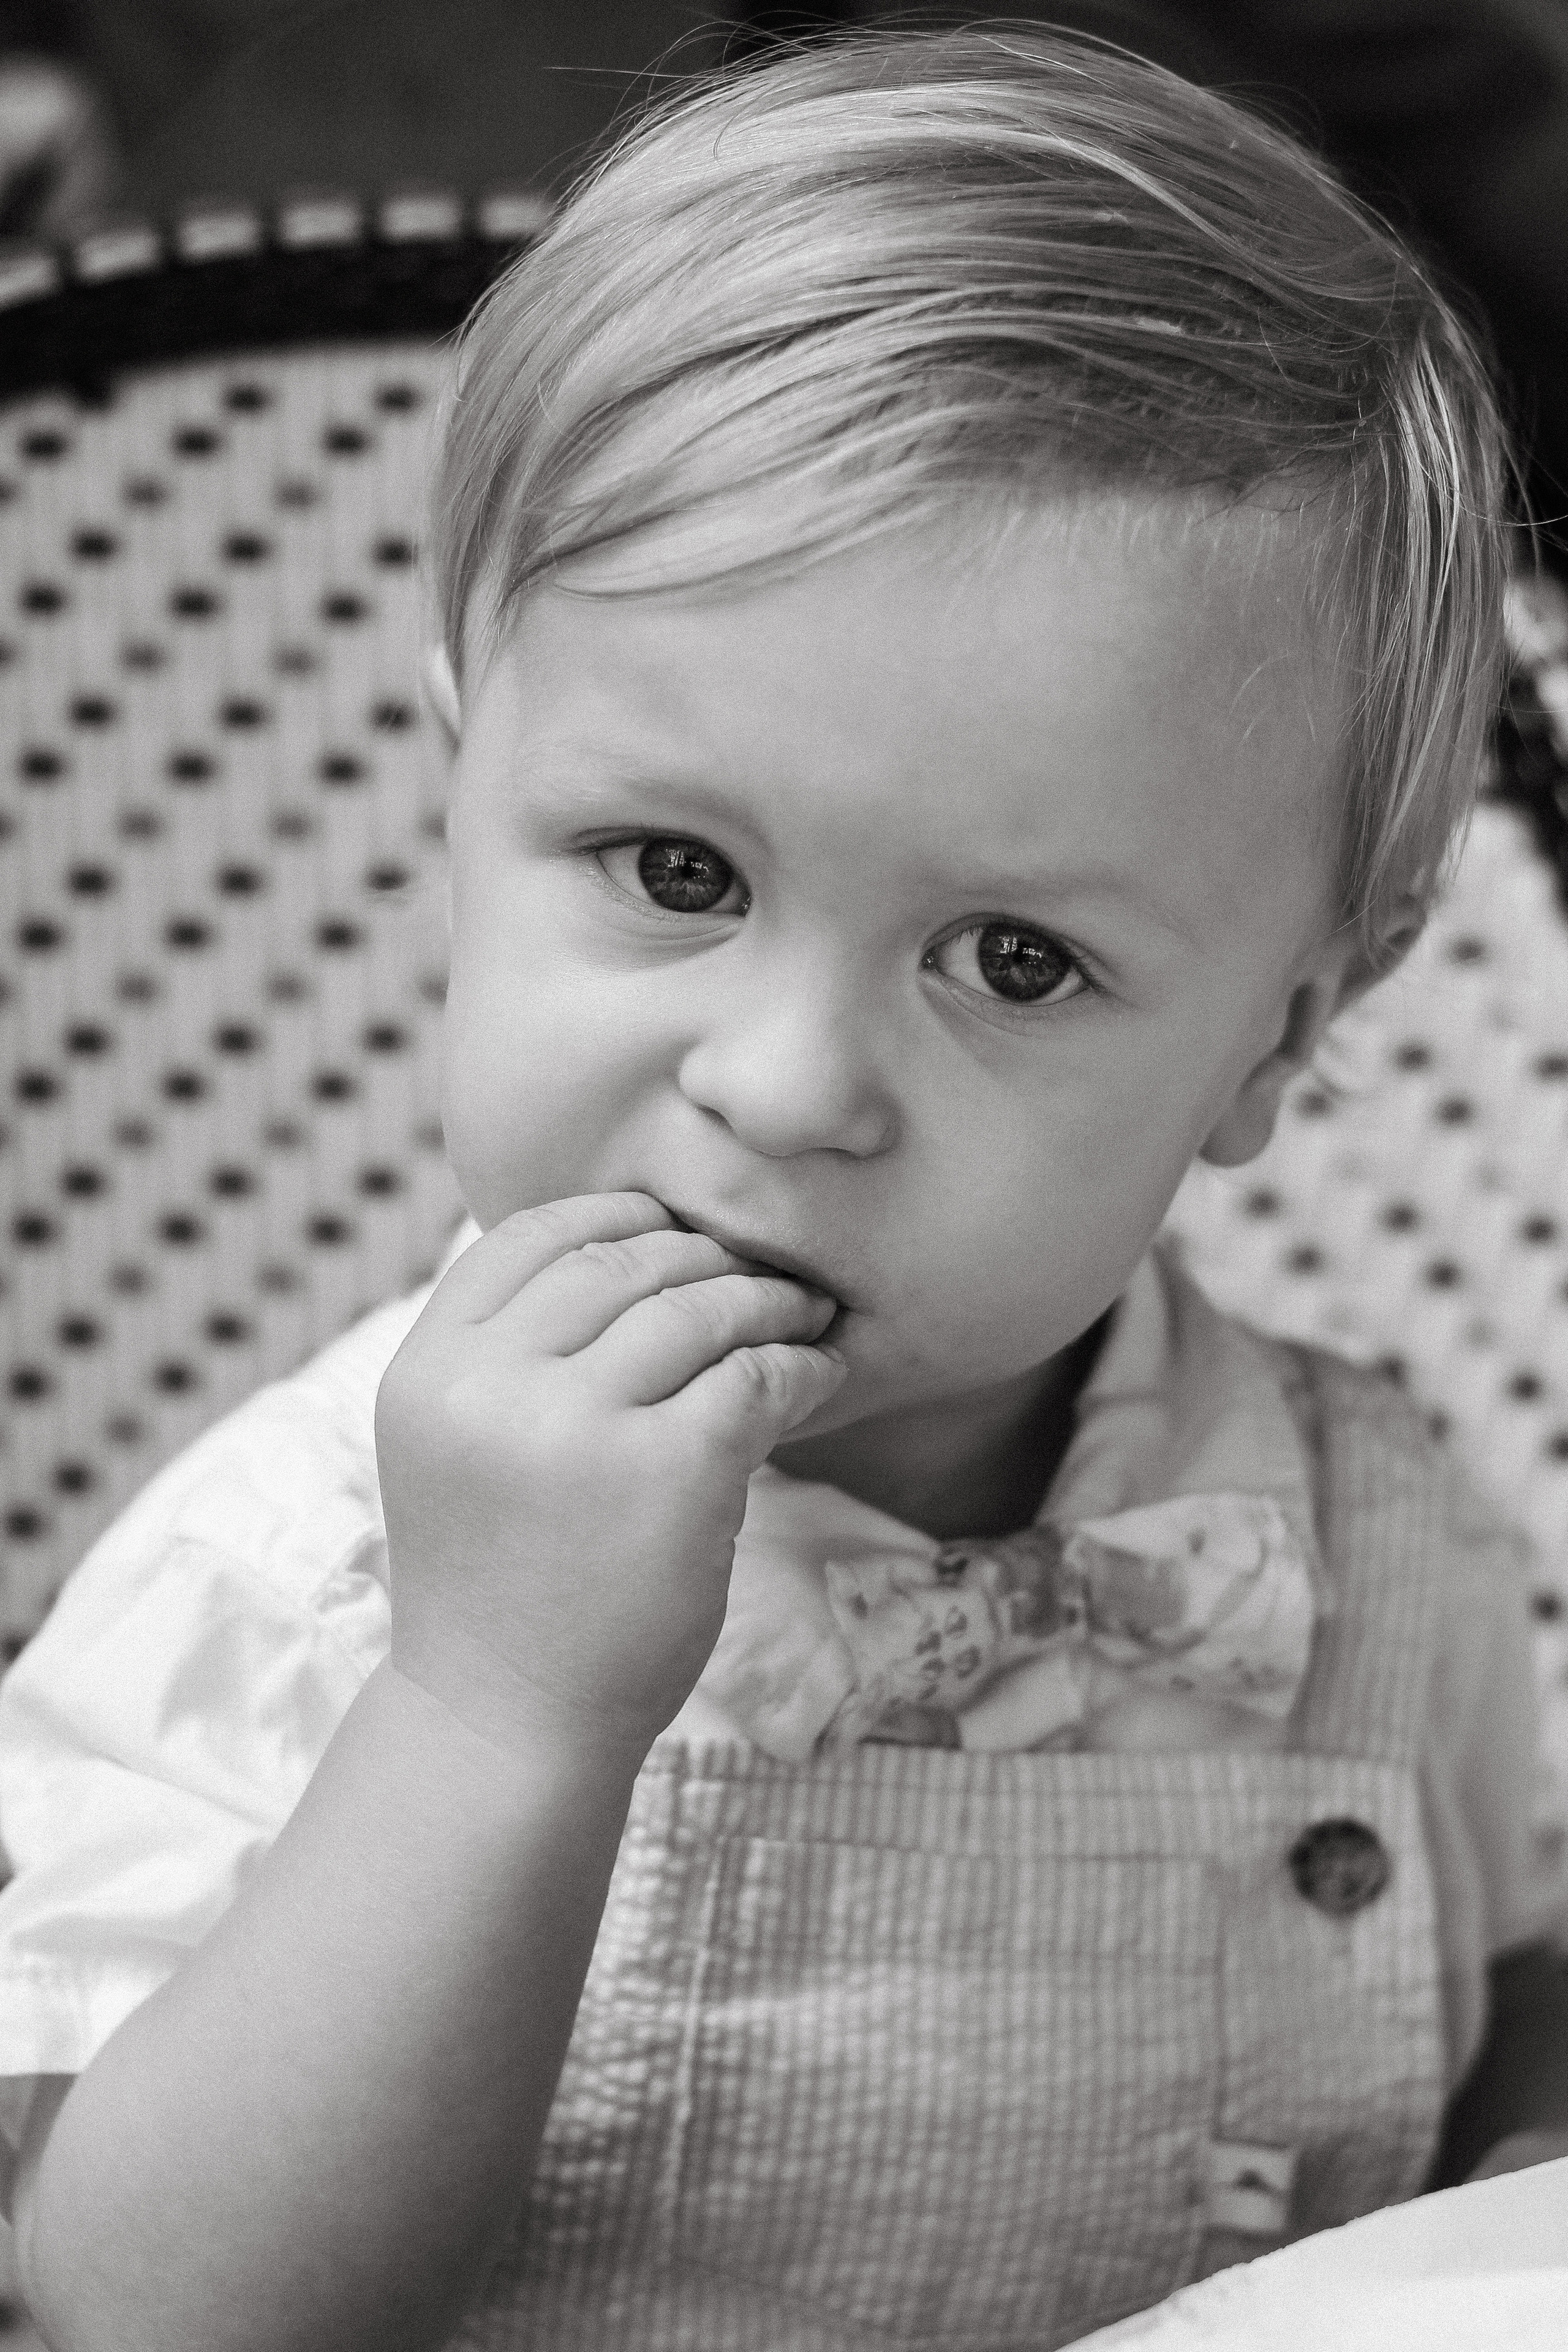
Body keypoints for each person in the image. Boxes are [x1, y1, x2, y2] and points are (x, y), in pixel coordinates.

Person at [0, 26, 1562, 2351]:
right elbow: (130, 2312)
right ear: (465, 785)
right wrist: (491, 1712)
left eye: (1017, 961)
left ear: (1284, 1035)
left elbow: (1504, 2037)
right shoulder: (296, 1580)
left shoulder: (1368, 1534)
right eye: (674, 869)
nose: (792, 1080)